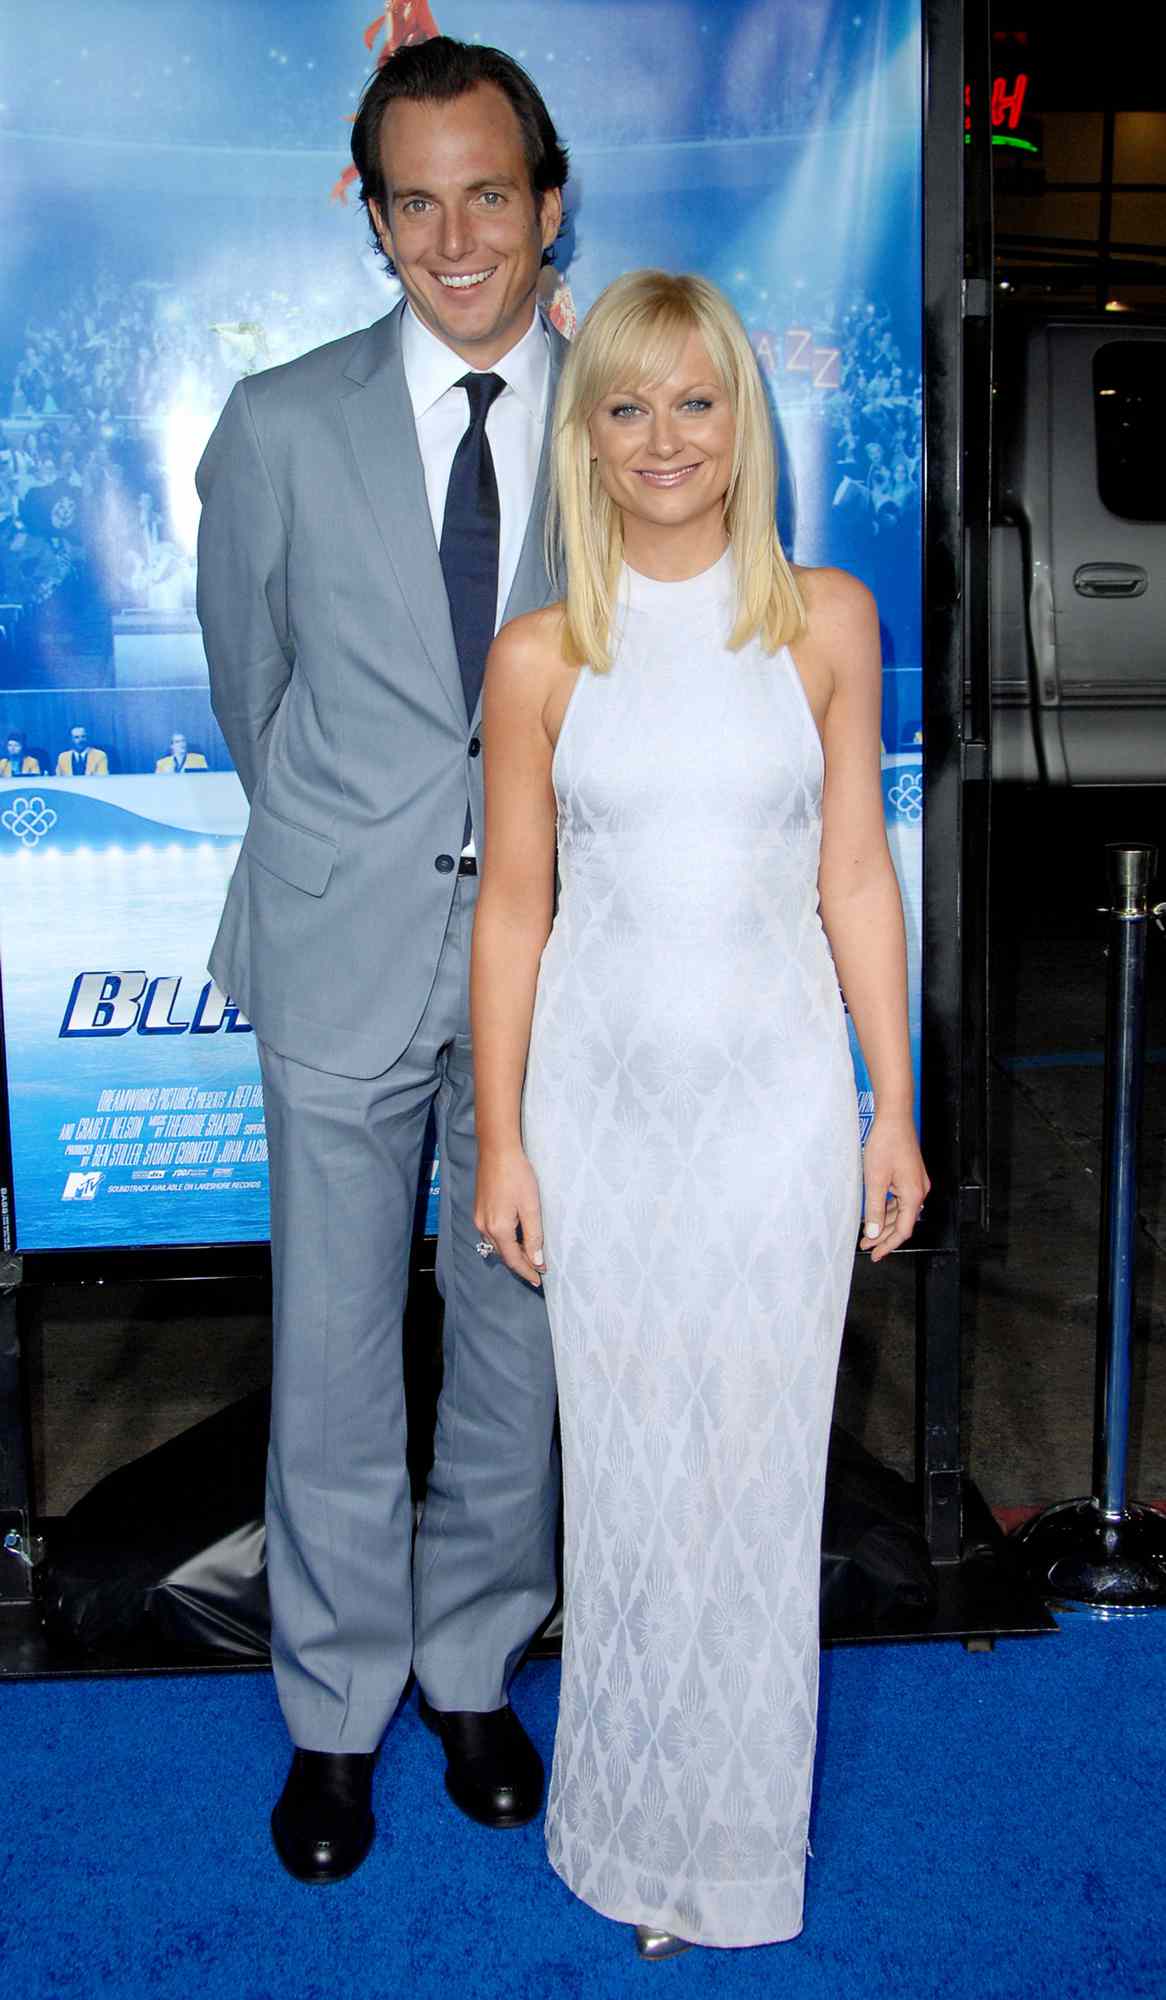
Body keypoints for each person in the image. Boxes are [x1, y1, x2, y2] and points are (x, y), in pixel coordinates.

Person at [471, 270, 928, 1957]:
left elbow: (857, 879)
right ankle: (625, 1830)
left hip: (772, 1116)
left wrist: (893, 1108)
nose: (664, 438)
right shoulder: (538, 656)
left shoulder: (825, 619)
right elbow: (512, 909)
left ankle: (732, 1852)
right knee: (630, 1480)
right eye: (624, 405)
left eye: (697, 401)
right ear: (584, 437)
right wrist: (507, 1137)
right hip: (600, 1114)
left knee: (749, 1479)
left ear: (744, 421)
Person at [195, 37, 569, 1885]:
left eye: (486, 191)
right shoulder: (277, 423)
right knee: (335, 1355)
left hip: (561, 967)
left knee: (515, 1340)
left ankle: (473, 1663)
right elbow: (248, 688)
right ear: (374, 218)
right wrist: (355, 847)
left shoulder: (630, 415)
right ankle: (336, 1715)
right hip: (341, 942)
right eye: (413, 199)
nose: (454, 235)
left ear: (546, 201)